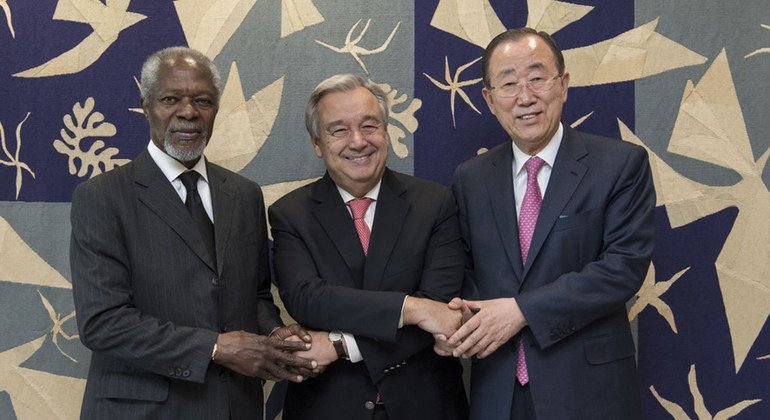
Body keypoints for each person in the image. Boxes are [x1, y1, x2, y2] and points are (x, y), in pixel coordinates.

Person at [70, 46, 316, 420]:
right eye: (171, 99)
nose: (188, 112)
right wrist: (216, 348)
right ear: (146, 105)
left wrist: (273, 334)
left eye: (202, 100)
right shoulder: (102, 197)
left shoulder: (244, 194)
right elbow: (103, 323)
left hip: (235, 406)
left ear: (216, 109)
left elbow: (254, 294)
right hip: (143, 411)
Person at [440, 28, 655, 419]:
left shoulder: (620, 164)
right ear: (489, 99)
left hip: (589, 391)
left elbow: (622, 268)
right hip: (498, 391)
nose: (525, 97)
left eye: (538, 78)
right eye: (508, 83)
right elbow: (467, 271)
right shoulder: (470, 178)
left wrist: (521, 311)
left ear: (564, 85)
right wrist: (458, 319)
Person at [268, 74, 469, 420]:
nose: (358, 141)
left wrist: (340, 345)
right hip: (328, 407)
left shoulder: (436, 203)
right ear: (318, 143)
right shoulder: (290, 214)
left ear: (386, 131)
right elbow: (308, 298)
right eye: (339, 130)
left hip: (425, 404)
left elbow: (442, 310)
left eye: (369, 125)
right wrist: (412, 309)